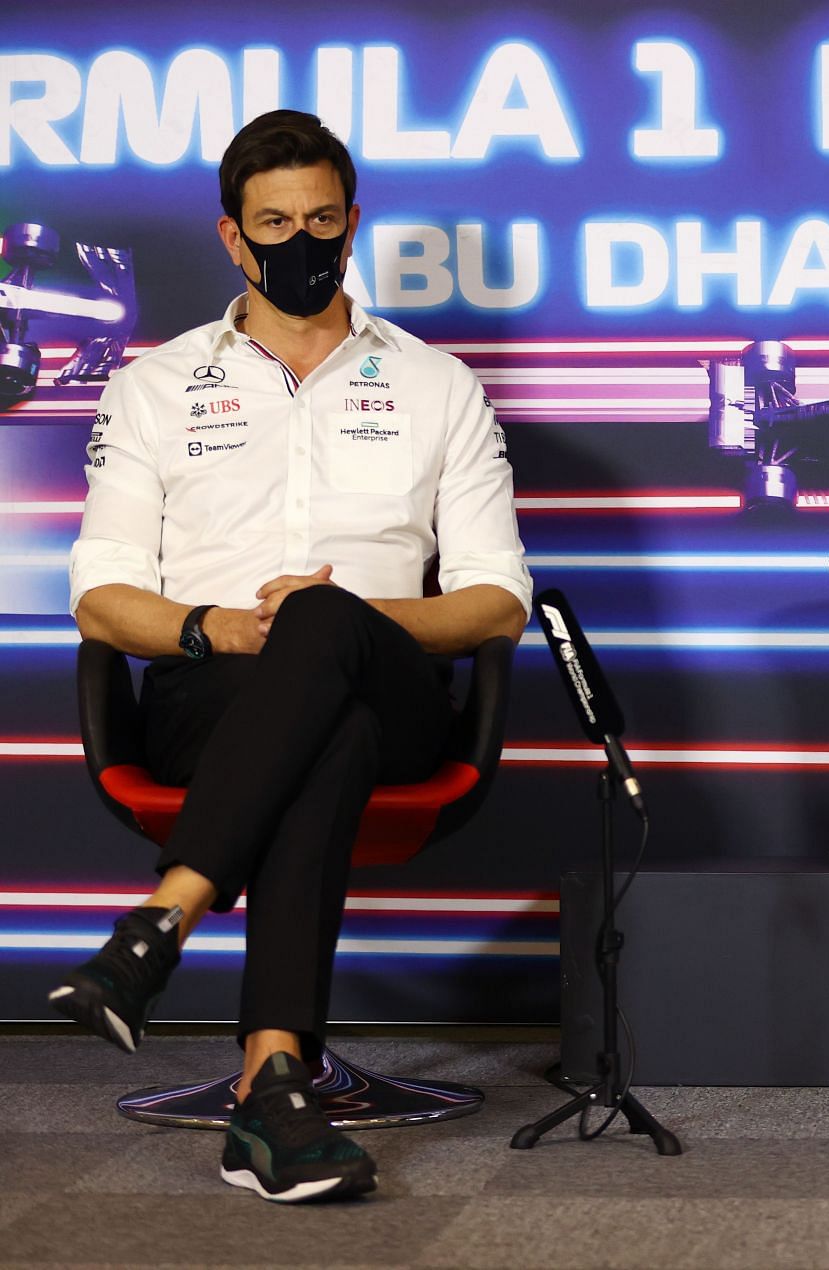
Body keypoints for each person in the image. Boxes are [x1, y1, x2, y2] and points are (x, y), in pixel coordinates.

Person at [51, 110, 531, 1202]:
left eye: (322, 220)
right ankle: (276, 1085)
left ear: (354, 223)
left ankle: (162, 922)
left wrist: (349, 617)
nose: (301, 241)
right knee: (328, 728)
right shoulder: (155, 385)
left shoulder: (438, 383)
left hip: (401, 685)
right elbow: (100, 594)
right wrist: (206, 625)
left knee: (326, 630)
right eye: (276, 223)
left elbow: (498, 603)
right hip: (210, 688)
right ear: (233, 237)